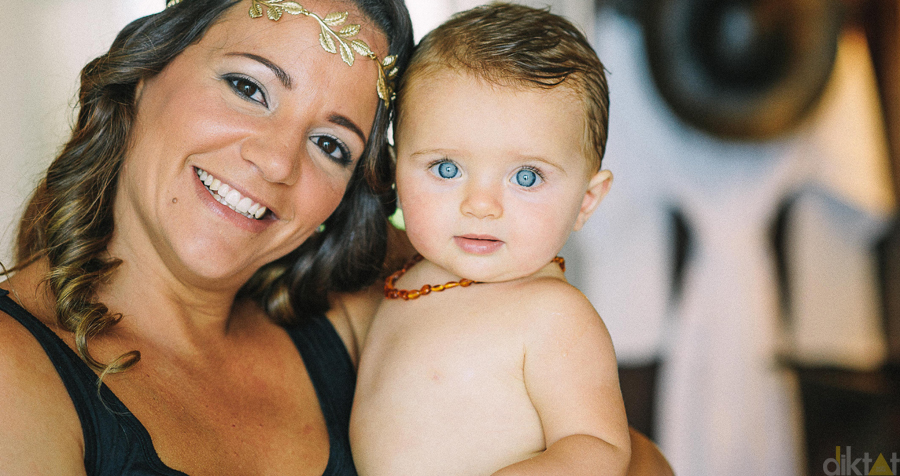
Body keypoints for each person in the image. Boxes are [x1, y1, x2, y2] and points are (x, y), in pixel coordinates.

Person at [0, 0, 413, 473]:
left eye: (330, 145)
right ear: (144, 73)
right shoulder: (11, 371)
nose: (277, 163)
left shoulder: (357, 327)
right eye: (248, 88)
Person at [350, 3, 634, 475]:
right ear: (396, 171)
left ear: (586, 201)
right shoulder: (401, 280)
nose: (481, 205)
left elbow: (599, 447)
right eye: (446, 169)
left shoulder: (554, 315)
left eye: (526, 177)